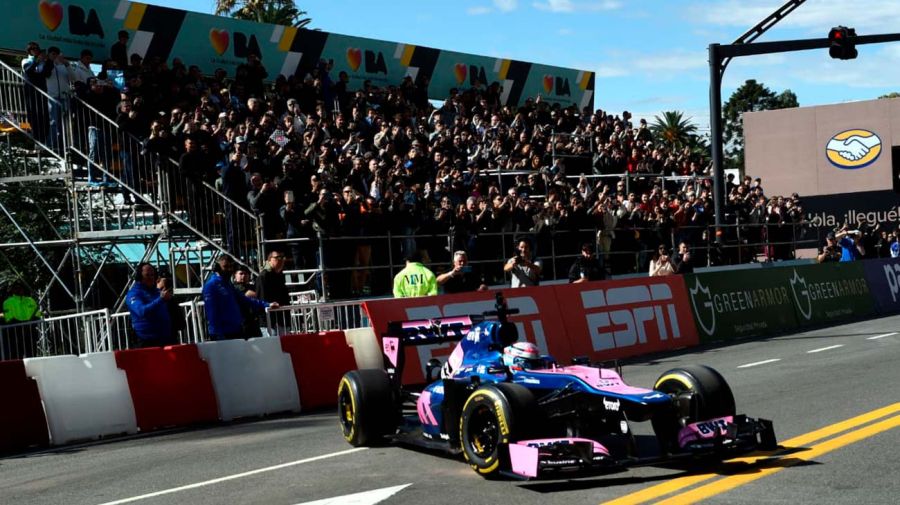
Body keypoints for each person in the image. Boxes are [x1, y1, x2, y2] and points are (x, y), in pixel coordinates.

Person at [203, 255, 277, 340]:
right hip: (223, 333)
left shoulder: (228, 285)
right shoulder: (211, 285)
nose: (229, 270)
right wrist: (217, 334)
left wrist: (266, 304)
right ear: (217, 268)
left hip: (236, 330)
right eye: (226, 266)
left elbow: (244, 299)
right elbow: (211, 312)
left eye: (231, 267)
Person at [125, 263, 174, 348]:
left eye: (152, 275)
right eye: (147, 275)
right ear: (140, 277)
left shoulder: (157, 291)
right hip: (147, 341)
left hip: (165, 339)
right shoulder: (134, 293)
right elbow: (141, 311)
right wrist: (161, 300)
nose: (151, 278)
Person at [2, 281, 42, 359]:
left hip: (30, 333)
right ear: (12, 290)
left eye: (20, 288)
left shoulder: (30, 300)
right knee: (16, 357)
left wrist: (31, 323)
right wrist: (26, 323)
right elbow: (9, 318)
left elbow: (37, 314)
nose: (19, 290)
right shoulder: (7, 302)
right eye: (16, 288)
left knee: (31, 356)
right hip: (15, 334)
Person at [232, 266, 261, 338]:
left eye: (245, 274)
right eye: (241, 274)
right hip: (239, 322)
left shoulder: (253, 287)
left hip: (253, 322)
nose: (243, 276)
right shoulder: (232, 288)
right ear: (235, 275)